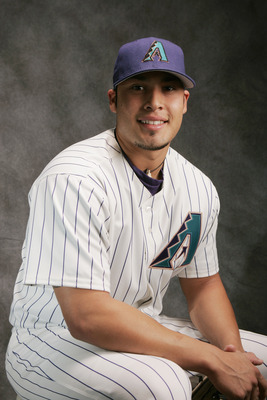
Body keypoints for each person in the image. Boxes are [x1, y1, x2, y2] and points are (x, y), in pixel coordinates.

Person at [5, 37, 267, 400]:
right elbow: (86, 316)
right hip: (52, 337)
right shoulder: (74, 177)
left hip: (146, 327)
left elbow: (204, 288)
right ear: (114, 99)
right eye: (138, 87)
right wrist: (209, 359)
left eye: (169, 87)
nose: (154, 102)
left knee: (261, 364)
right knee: (160, 385)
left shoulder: (198, 187)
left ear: (184, 102)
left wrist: (233, 359)